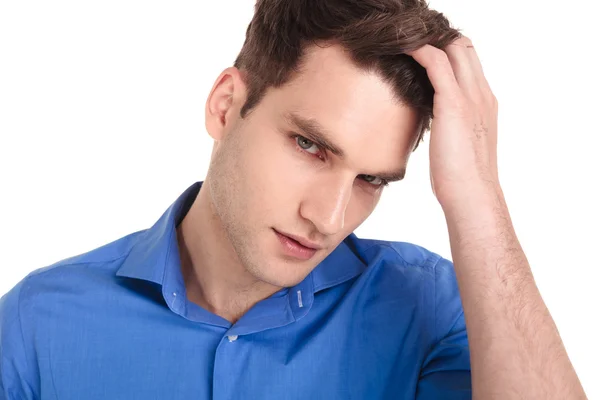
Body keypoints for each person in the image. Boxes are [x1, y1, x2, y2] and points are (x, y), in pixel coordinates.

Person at [0, 0, 588, 399]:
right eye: (310, 145)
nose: (328, 219)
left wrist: (477, 194)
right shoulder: (36, 324)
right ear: (226, 105)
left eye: (372, 180)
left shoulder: (430, 308)